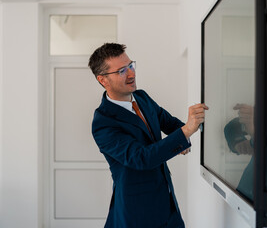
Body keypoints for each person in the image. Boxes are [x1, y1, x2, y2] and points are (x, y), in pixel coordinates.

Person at [89, 43, 208, 228]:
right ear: (103, 80)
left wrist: (190, 129)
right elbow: (141, 158)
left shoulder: (142, 97)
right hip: (137, 213)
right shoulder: (103, 122)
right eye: (121, 71)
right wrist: (184, 133)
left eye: (131, 65)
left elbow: (168, 122)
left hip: (168, 204)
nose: (131, 74)